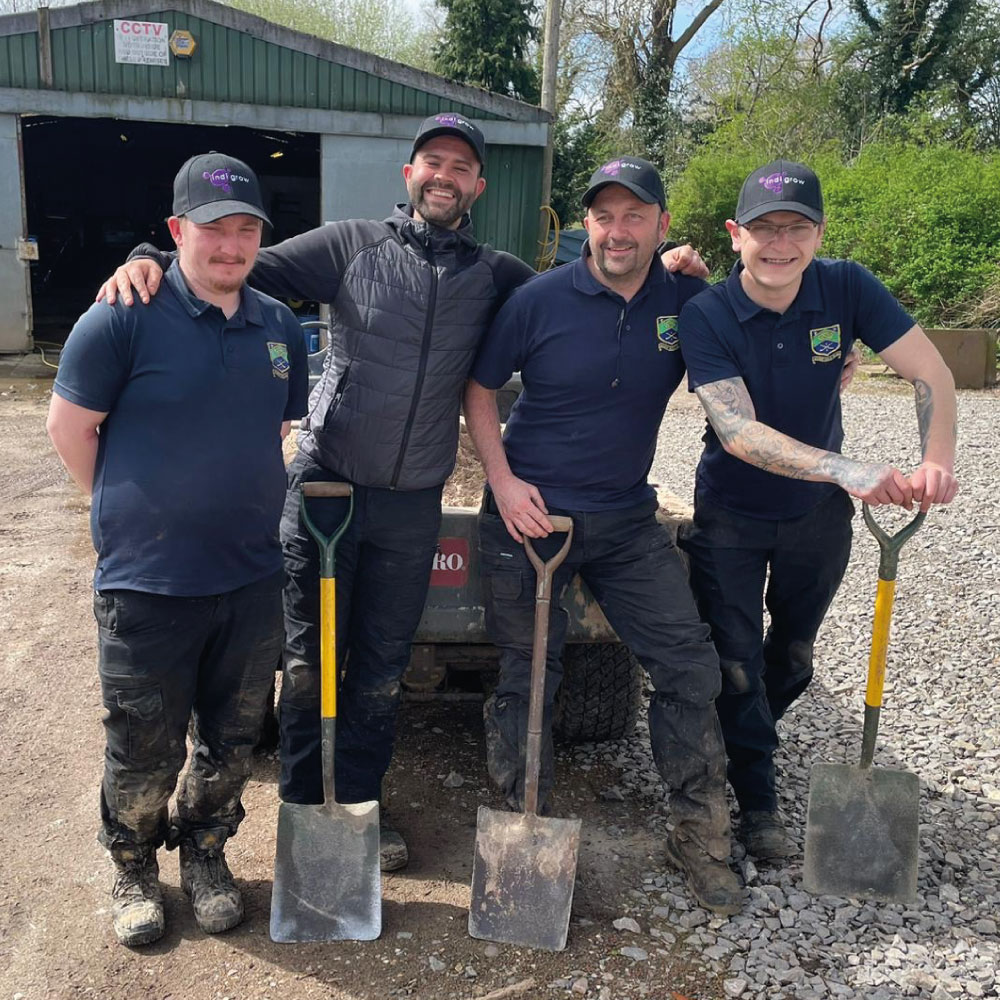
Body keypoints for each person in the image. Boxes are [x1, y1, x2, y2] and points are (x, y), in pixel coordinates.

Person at [98, 119, 709, 872]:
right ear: (409, 174)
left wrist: (677, 271)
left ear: (478, 186)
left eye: (462, 166)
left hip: (414, 501)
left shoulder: (497, 274)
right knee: (312, 665)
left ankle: (357, 809)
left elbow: (582, 284)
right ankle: (301, 811)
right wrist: (147, 259)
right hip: (326, 490)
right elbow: (229, 265)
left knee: (382, 670)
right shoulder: (350, 246)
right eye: (432, 163)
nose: (445, 176)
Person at [463, 156, 743, 916]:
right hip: (530, 518)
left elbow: (751, 345)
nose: (617, 231)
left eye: (634, 216)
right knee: (531, 679)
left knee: (689, 667)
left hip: (625, 519)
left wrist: (837, 359)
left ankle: (701, 840)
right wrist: (503, 481)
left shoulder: (689, 299)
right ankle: (525, 840)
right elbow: (480, 388)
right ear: (586, 223)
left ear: (661, 222)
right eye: (603, 216)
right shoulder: (538, 299)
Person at [47, 153, 309, 947]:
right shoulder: (121, 317)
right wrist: (139, 507)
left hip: (252, 578)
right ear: (175, 232)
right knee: (142, 743)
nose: (230, 246)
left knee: (231, 741)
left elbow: (278, 431)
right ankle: (132, 866)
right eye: (213, 229)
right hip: (148, 585)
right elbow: (70, 430)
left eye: (246, 230)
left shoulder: (280, 326)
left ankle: (204, 851)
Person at [676, 159, 959, 861]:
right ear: (735, 234)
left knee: (794, 657)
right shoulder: (707, 312)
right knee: (735, 661)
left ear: (819, 232)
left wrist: (937, 460)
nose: (780, 244)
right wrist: (847, 468)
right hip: (731, 515)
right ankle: (758, 797)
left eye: (796, 228)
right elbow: (737, 433)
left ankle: (743, 743)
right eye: (764, 228)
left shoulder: (846, 287)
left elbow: (932, 373)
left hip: (816, 520)